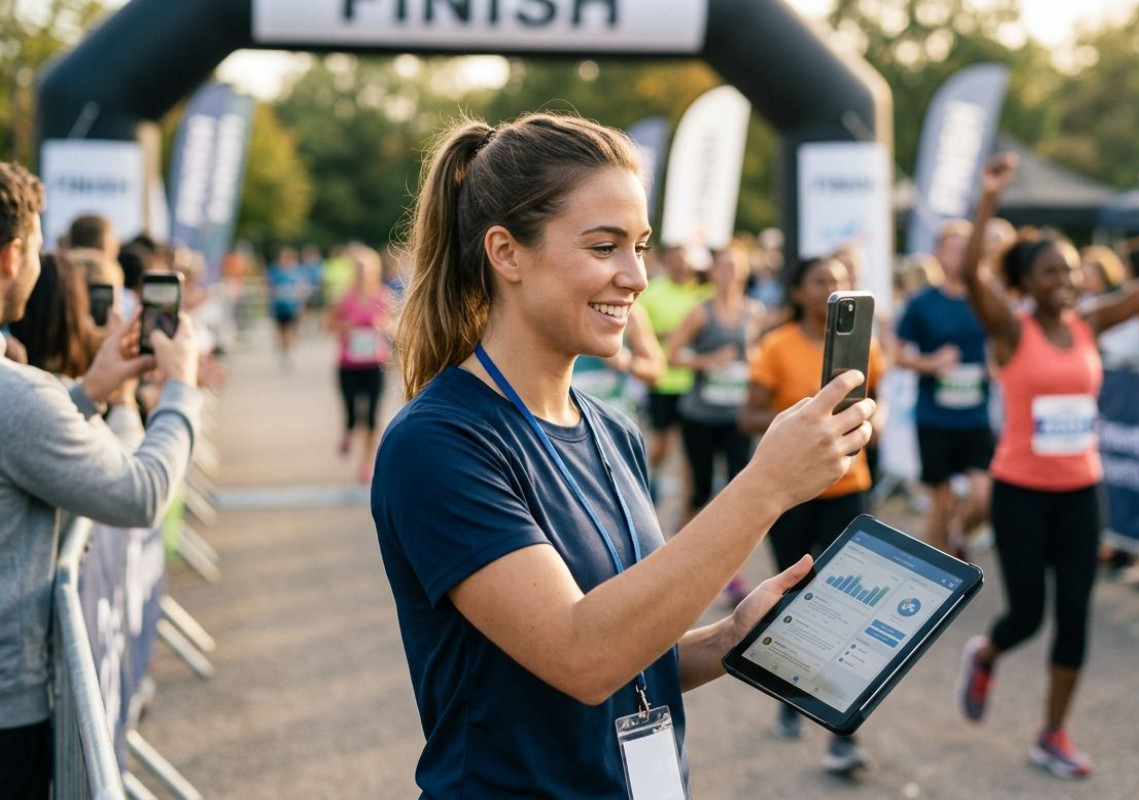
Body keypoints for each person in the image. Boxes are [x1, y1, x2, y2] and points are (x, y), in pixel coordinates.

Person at [370, 114, 875, 799]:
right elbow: (582, 656)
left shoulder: (612, 429)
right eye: (604, 246)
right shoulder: (438, 443)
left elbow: (628, 644)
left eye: (639, 245)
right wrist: (766, 486)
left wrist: (728, 638)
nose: (635, 277)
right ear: (506, 253)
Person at [955, 154, 1139, 779]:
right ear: (1026, 281)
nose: (1066, 280)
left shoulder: (1090, 323)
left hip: (1082, 491)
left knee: (1075, 615)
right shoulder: (1009, 327)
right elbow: (971, 272)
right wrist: (988, 198)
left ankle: (1052, 732)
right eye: (1052, 271)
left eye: (1072, 271)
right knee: (1027, 615)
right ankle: (988, 654)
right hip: (1021, 492)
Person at [0, 161, 202, 800]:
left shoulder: (25, 395)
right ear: (11, 257)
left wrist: (89, 393)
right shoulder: (18, 392)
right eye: (37, 247)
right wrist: (180, 389)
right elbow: (140, 493)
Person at [741, 253, 887, 775]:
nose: (834, 288)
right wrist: (799, 425)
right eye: (822, 282)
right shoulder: (775, 347)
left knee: (847, 610)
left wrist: (874, 419)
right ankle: (790, 692)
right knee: (796, 599)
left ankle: (842, 735)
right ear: (801, 292)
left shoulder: (866, 345)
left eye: (843, 281)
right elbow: (748, 414)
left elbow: (878, 400)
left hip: (850, 487)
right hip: (793, 492)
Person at [895, 219, 994, 558]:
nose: (960, 257)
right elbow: (894, 354)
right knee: (942, 500)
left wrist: (997, 366)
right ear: (937, 254)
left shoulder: (986, 300)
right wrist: (931, 363)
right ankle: (939, 570)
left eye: (967, 250)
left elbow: (1005, 344)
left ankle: (959, 536)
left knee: (984, 497)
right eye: (954, 249)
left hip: (975, 416)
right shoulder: (922, 303)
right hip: (934, 416)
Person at [668, 242, 764, 521]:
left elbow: (758, 355)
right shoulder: (700, 312)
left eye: (735, 267)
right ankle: (683, 542)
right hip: (700, 414)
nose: (729, 273)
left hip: (738, 415)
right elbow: (672, 356)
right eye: (723, 266)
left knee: (739, 485)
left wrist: (753, 356)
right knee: (701, 487)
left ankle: (730, 554)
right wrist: (708, 361)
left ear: (745, 272)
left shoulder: (754, 311)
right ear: (712, 272)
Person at [637, 243, 709, 506]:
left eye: (686, 259)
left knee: (691, 451)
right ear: (667, 262)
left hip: (695, 382)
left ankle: (686, 507)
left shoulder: (703, 293)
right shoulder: (652, 292)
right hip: (664, 380)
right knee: (663, 443)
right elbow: (635, 331)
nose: (682, 265)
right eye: (676, 260)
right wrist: (663, 335)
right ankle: (649, 479)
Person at [328, 244, 391, 484]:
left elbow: (392, 325)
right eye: (358, 269)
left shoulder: (382, 296)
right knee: (352, 411)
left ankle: (366, 464)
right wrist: (347, 327)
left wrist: (382, 326)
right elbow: (329, 325)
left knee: (373, 416)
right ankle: (348, 430)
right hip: (349, 363)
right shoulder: (344, 297)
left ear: (374, 270)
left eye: (366, 269)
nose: (362, 273)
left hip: (375, 362)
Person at [268, 246, 307, 370]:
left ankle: (288, 352)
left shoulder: (297, 272)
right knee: (281, 331)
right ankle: (284, 351)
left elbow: (303, 288)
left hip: (292, 307)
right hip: (279, 307)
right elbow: (270, 287)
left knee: (290, 331)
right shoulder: (275, 271)